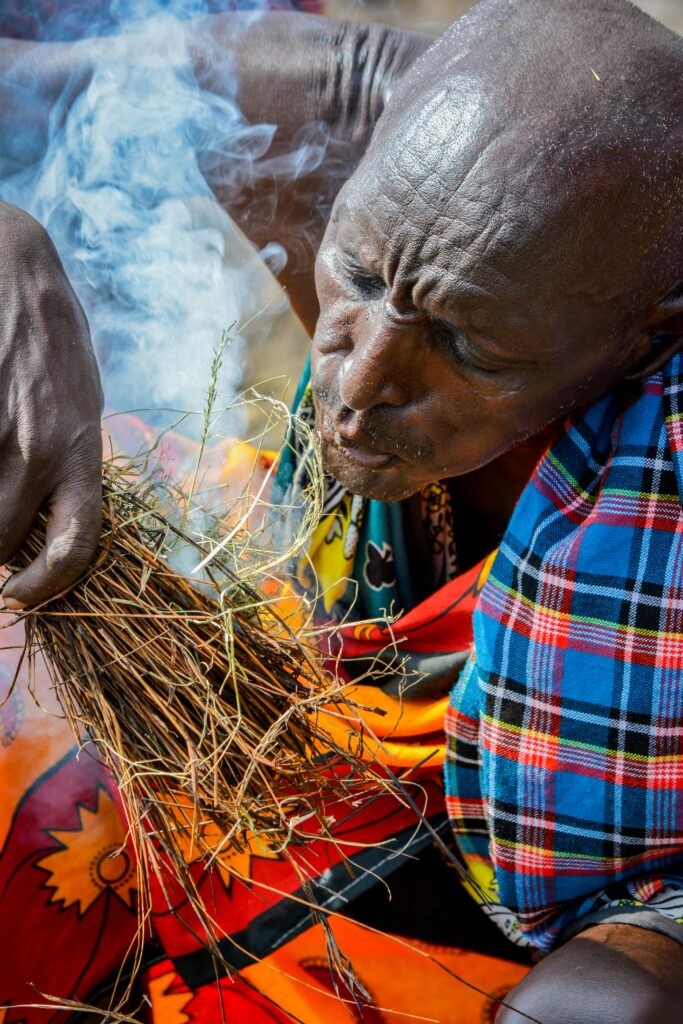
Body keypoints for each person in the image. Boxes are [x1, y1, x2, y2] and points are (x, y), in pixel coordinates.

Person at [0, 1, 682, 1021]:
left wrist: (640, 960)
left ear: (637, 342)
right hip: (278, 658)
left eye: (468, 350)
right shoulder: (353, 113)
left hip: (535, 896)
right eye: (355, 276)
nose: (359, 385)